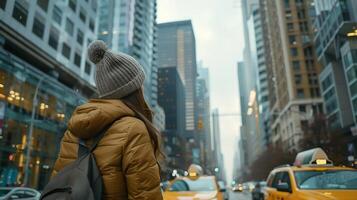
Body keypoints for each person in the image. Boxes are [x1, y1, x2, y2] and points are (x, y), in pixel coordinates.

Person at [52, 40, 163, 200]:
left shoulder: (73, 131)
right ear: (135, 90)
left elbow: (59, 186)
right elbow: (145, 196)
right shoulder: (134, 129)